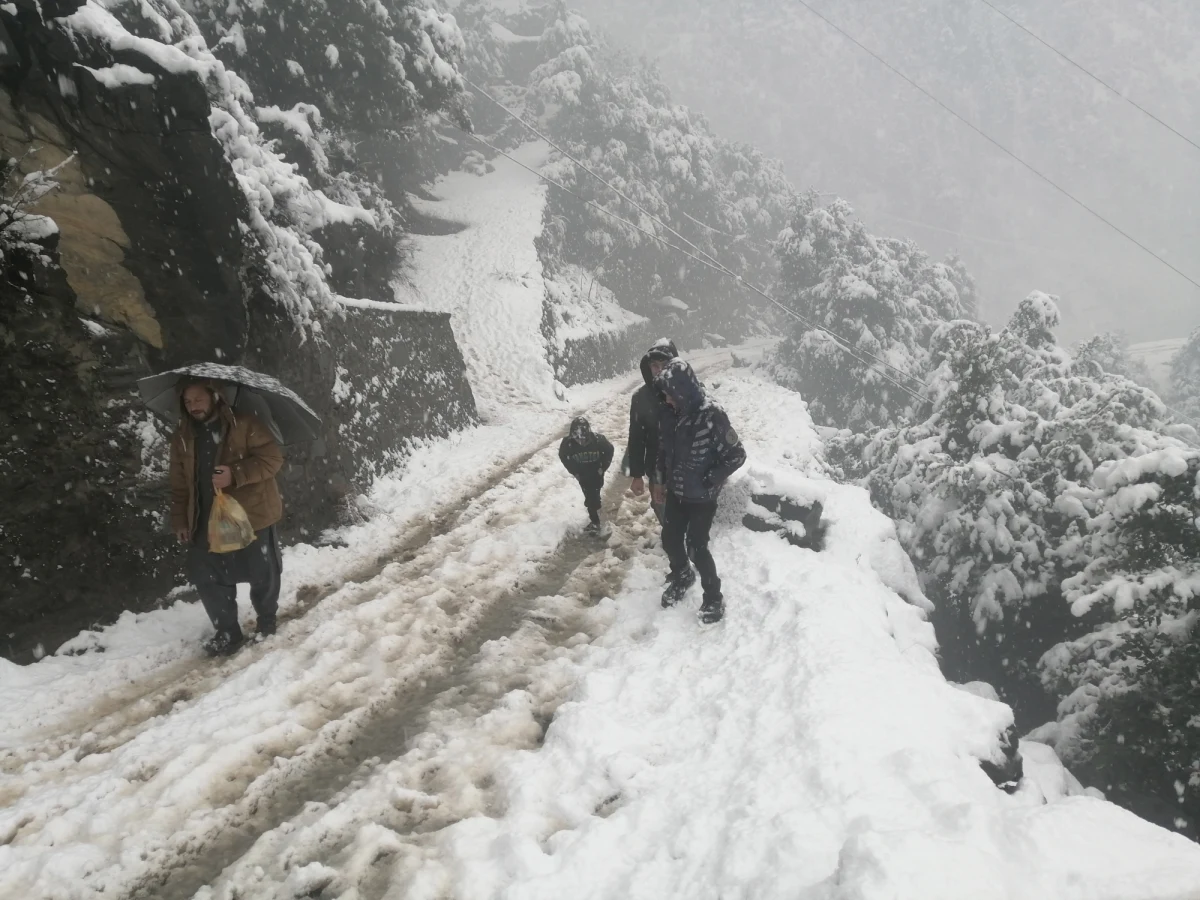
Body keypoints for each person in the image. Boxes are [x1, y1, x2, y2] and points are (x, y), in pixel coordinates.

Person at [169, 380, 285, 656]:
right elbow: (178, 484)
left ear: (214, 397)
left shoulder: (245, 425)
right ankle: (228, 632)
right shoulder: (182, 437)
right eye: (187, 402)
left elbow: (272, 459)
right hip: (205, 518)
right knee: (208, 577)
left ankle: (267, 620)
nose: (193, 406)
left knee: (262, 571)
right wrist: (180, 520)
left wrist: (236, 473)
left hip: (250, 514)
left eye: (198, 399)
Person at [653, 359, 746, 623]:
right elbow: (663, 450)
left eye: (671, 395)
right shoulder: (670, 415)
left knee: (697, 547)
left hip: (702, 499)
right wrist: (660, 482)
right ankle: (682, 575)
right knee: (670, 539)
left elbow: (737, 454)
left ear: (682, 391)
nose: (667, 400)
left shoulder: (712, 416)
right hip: (676, 493)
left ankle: (713, 597)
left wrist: (710, 478)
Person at [627, 338, 677, 524]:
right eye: (654, 365)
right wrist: (637, 475)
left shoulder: (689, 391)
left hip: (687, 470)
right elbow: (636, 439)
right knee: (663, 510)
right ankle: (673, 541)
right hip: (656, 470)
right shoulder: (641, 398)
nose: (659, 370)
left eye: (664, 364)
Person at [558, 416, 614, 533]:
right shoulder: (567, 444)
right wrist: (574, 471)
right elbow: (563, 457)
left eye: (584, 439)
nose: (581, 442)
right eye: (577, 439)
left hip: (596, 471)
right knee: (589, 494)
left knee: (593, 493)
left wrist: (603, 467)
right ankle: (595, 514)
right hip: (582, 473)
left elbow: (609, 451)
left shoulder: (599, 441)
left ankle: (595, 519)